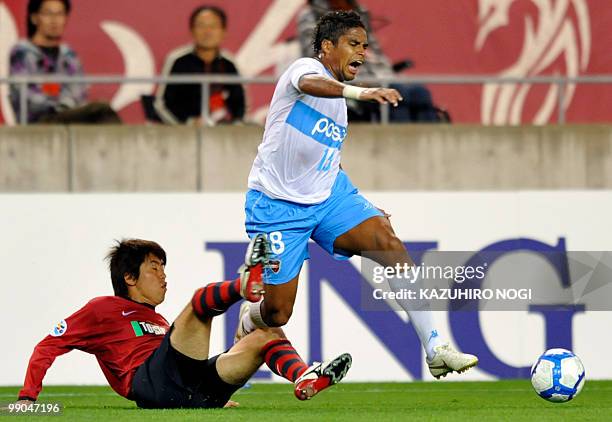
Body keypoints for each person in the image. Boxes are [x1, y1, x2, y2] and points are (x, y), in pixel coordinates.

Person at [236, 11, 477, 379]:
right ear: (327, 47)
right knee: (278, 313)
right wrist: (361, 92)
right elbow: (312, 84)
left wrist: (362, 204)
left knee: (387, 241)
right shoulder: (302, 70)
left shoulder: (339, 107)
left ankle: (435, 348)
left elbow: (326, 159)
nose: (362, 53)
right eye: (353, 44)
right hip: (277, 205)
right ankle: (251, 313)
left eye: (365, 45)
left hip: (329, 195)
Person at [17, 235, 352, 408]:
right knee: (198, 305)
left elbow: (179, 359)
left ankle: (303, 376)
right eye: (154, 267)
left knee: (265, 336)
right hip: (150, 384)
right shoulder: (103, 308)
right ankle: (243, 285)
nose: (163, 276)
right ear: (130, 278)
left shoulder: (157, 320)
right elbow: (49, 344)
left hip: (187, 388)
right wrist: (28, 398)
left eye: (163, 267)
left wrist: (209, 394)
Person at [297, 0, 444, 123]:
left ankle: (431, 151)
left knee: (420, 93)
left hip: (380, 77)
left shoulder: (358, 12)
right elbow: (316, 57)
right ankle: (400, 150)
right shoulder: (311, 15)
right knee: (396, 97)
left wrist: (387, 73)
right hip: (351, 80)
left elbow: (375, 52)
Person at [9, 0, 120, 124]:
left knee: (102, 116)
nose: (54, 20)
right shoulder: (22, 52)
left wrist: (54, 92)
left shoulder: (69, 55)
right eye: (48, 14)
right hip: (39, 122)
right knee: (101, 110)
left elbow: (79, 93)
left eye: (60, 14)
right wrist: (59, 98)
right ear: (34, 18)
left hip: (69, 116)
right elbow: (24, 95)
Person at [155, 5, 245, 125]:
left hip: (221, 135)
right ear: (191, 30)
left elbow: (241, 105)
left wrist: (233, 127)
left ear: (224, 32)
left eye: (213, 26)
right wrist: (186, 124)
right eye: (201, 26)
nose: (207, 32)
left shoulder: (229, 64)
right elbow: (161, 104)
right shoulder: (177, 61)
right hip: (183, 134)